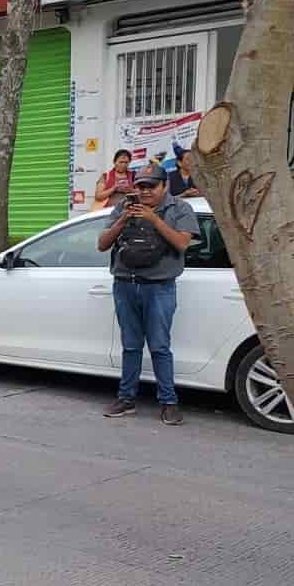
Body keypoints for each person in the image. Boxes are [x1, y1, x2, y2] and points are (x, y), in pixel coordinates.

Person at [96, 161, 198, 425]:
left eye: (151, 186)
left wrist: (153, 218)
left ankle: (168, 402)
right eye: (140, 186)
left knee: (160, 346)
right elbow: (102, 244)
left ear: (165, 186)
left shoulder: (180, 208)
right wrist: (124, 218)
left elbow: (182, 243)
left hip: (159, 287)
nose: (145, 192)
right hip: (125, 285)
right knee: (130, 346)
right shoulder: (124, 207)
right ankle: (126, 399)